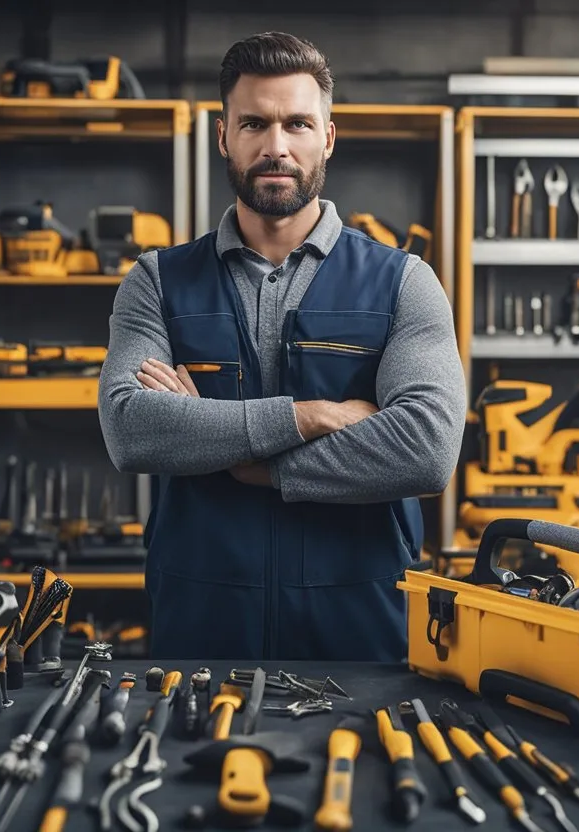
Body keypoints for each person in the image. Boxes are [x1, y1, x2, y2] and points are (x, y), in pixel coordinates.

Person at [97, 31, 466, 662]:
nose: (275, 147)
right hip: (200, 632)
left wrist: (250, 463)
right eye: (254, 124)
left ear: (326, 135)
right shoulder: (157, 281)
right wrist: (313, 415)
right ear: (223, 136)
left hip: (361, 629)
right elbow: (133, 429)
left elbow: (427, 449)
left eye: (296, 123)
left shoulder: (404, 281)